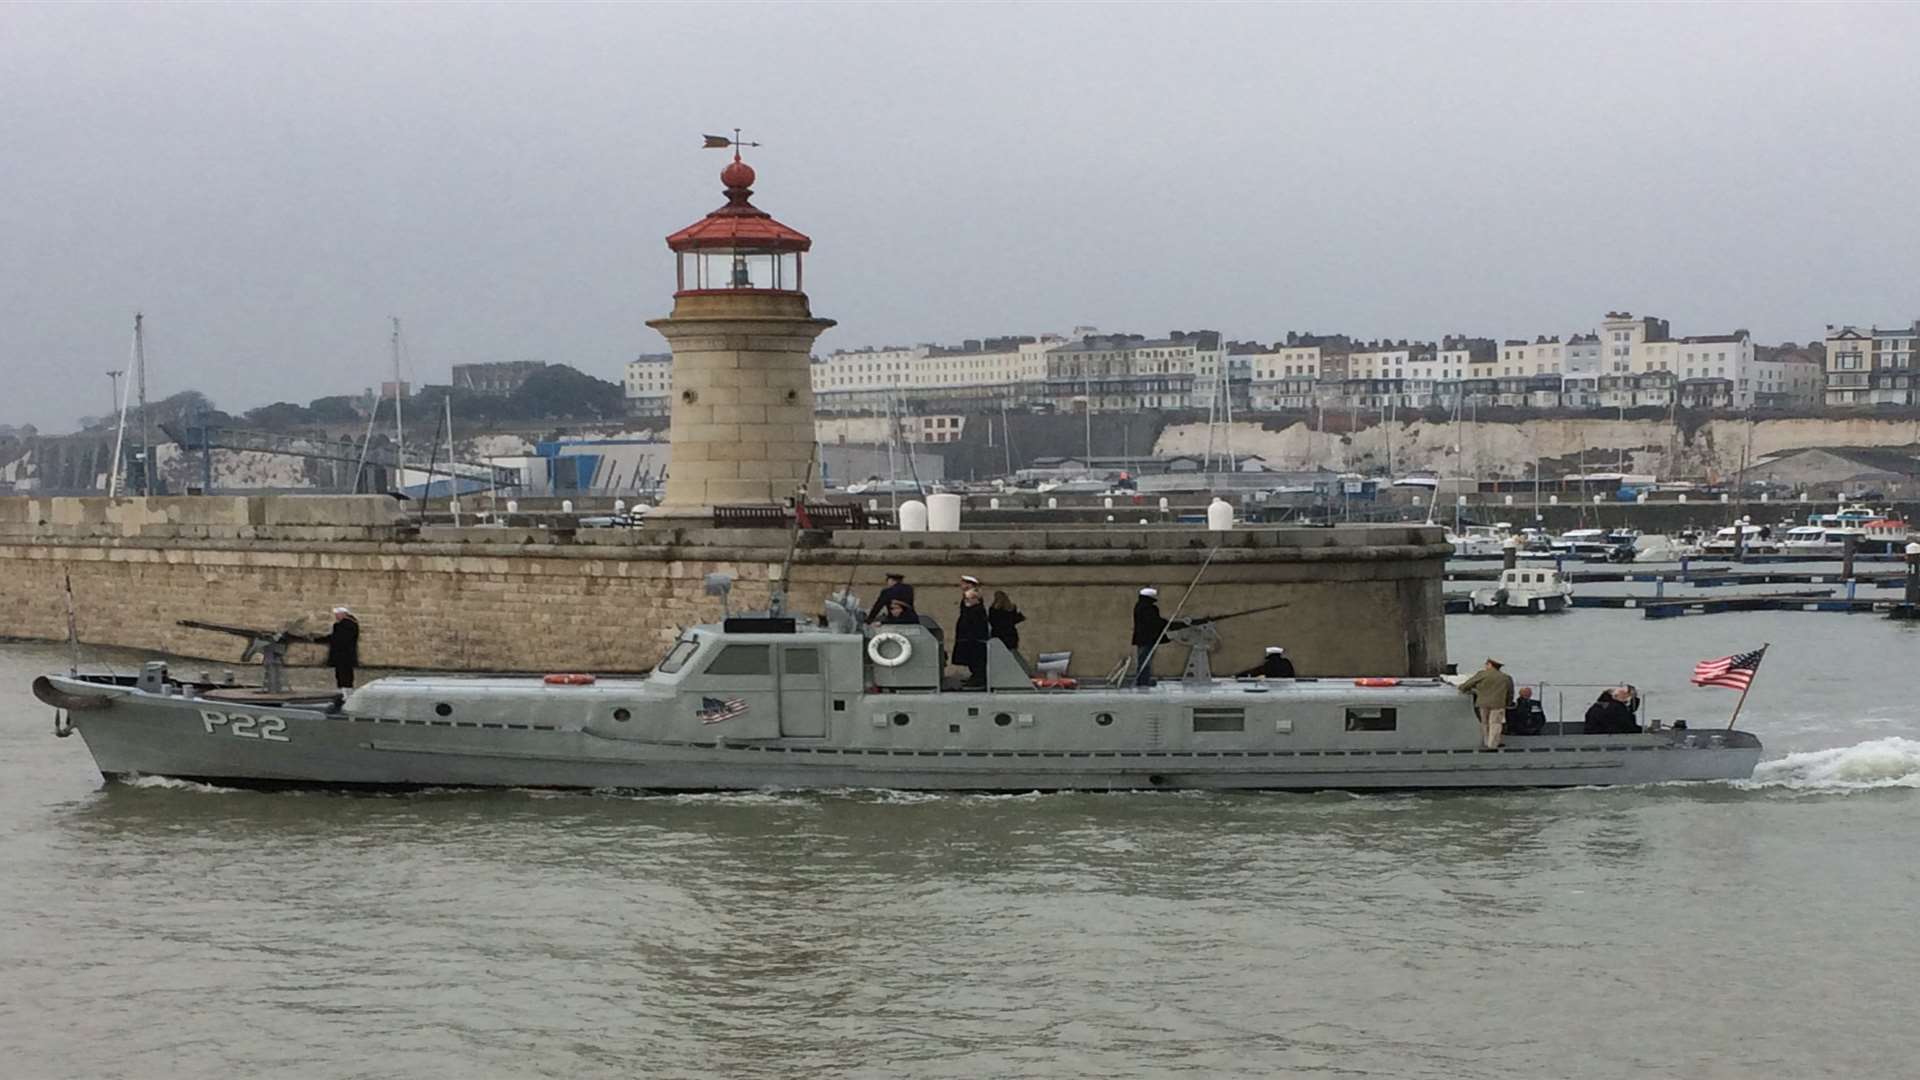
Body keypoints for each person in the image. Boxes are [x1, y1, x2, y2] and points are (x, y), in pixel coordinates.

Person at [1455, 658, 1514, 749]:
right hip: (1498, 704)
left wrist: (1462, 688)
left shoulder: (1482, 674)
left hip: (1482, 703)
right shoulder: (1506, 677)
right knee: (1495, 723)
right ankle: (1493, 744)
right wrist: (1507, 703)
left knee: (1484, 723)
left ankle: (1486, 742)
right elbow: (1510, 693)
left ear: (1490, 665)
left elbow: (1468, 684)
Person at [1132, 587, 1170, 687]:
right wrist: (1166, 623)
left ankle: (1143, 680)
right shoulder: (1149, 608)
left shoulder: (1139, 606)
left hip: (1142, 638)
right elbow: (1154, 622)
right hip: (1147, 638)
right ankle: (1143, 681)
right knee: (1145, 660)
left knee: (1144, 660)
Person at [953, 586, 989, 688]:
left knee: (977, 661)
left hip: (975, 640)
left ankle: (978, 678)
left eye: (970, 599)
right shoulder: (968, 610)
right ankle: (975, 677)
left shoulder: (977, 611)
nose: (967, 601)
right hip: (967, 639)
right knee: (971, 661)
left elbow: (976, 625)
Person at [316, 606, 360, 689]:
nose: (336, 617)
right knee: (347, 675)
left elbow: (336, 638)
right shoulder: (353, 624)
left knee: (343, 676)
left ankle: (344, 694)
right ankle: (346, 692)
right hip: (348, 655)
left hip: (342, 655)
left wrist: (318, 639)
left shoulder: (343, 625)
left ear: (343, 614)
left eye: (337, 615)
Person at [987, 590, 1025, 654]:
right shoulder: (1011, 608)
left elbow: (991, 621)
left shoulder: (993, 610)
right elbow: (1014, 619)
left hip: (998, 635)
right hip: (1010, 635)